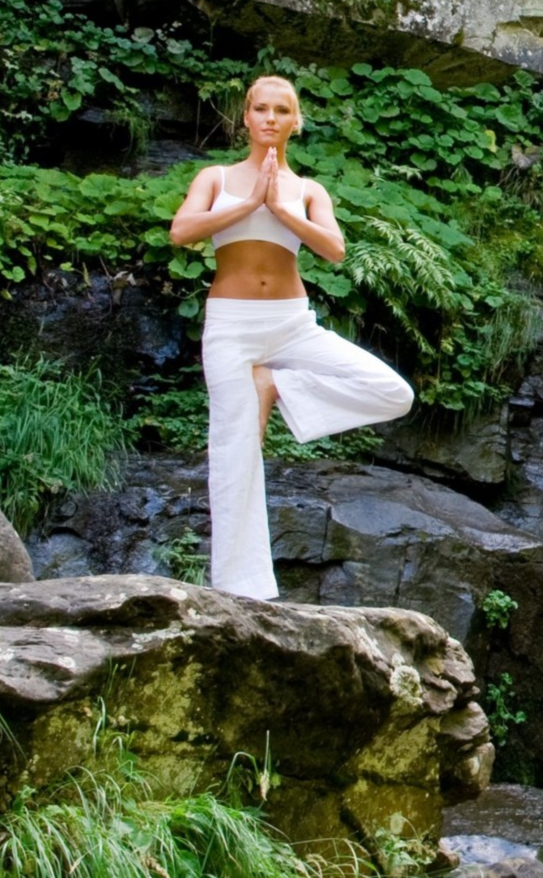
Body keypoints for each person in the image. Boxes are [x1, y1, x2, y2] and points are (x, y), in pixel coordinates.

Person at [167, 74, 414, 598]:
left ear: (294, 122)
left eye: (282, 110)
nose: (271, 119)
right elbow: (182, 231)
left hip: (291, 324)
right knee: (235, 451)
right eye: (261, 109)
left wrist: (281, 209)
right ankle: (243, 591)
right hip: (232, 326)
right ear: (247, 118)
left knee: (394, 393)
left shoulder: (308, 190)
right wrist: (250, 200)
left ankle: (277, 387)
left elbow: (335, 249)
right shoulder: (216, 177)